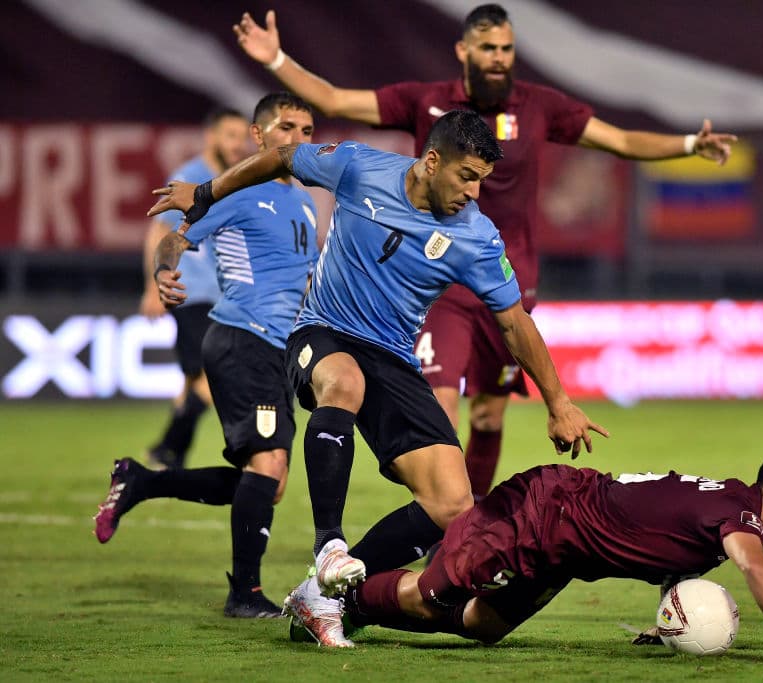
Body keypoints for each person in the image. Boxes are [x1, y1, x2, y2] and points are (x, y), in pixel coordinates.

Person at [233, 4, 737, 500]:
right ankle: (437, 512)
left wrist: (688, 145)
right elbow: (334, 99)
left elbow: (620, 140)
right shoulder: (428, 101)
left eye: (507, 49)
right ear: (464, 50)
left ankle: (464, 530)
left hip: (507, 282)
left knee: (489, 416)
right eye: (489, 48)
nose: (499, 57)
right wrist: (275, 59)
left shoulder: (540, 106)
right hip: (439, 282)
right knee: (441, 402)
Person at [146, 110, 608, 628]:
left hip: (393, 357)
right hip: (322, 330)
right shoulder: (358, 167)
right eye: (466, 177)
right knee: (345, 382)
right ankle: (329, 545)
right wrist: (206, 192)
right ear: (431, 162)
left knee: (451, 503)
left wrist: (558, 402)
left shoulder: (476, 237)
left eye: (482, 180)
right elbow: (282, 157)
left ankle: (323, 595)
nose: (475, 193)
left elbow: (515, 322)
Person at [284, 446, 763, 666]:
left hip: (564, 548)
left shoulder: (726, 508)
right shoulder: (739, 515)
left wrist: (672, 618)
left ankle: (353, 608)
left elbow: (672, 547)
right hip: (543, 513)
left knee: (484, 625)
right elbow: (756, 567)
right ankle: (328, 599)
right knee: (430, 595)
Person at [94, 92, 319, 618]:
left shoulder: (307, 203)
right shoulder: (238, 190)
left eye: (308, 131)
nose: (299, 139)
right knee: (267, 464)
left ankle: (142, 481)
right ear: (259, 136)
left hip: (277, 349)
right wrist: (162, 273)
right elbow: (175, 238)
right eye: (287, 128)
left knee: (269, 483)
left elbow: (301, 280)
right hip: (241, 338)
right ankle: (245, 594)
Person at [140, 107, 250, 470]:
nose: (238, 144)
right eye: (230, 135)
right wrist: (153, 285)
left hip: (225, 295)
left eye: (242, 137)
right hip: (191, 293)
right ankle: (168, 447)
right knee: (217, 377)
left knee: (193, 380)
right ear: (211, 136)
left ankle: (171, 456)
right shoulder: (189, 178)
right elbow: (159, 232)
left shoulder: (237, 179)